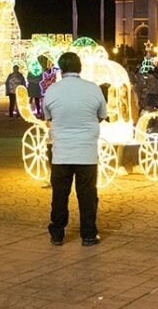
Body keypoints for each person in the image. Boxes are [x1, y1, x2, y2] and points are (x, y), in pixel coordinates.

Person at [44, 52, 107, 246]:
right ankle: (88, 234)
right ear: (80, 67)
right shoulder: (93, 89)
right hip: (86, 152)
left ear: (61, 68)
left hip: (61, 152)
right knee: (87, 195)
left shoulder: (52, 90)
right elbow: (102, 114)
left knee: (60, 195)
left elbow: (48, 117)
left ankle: (57, 233)